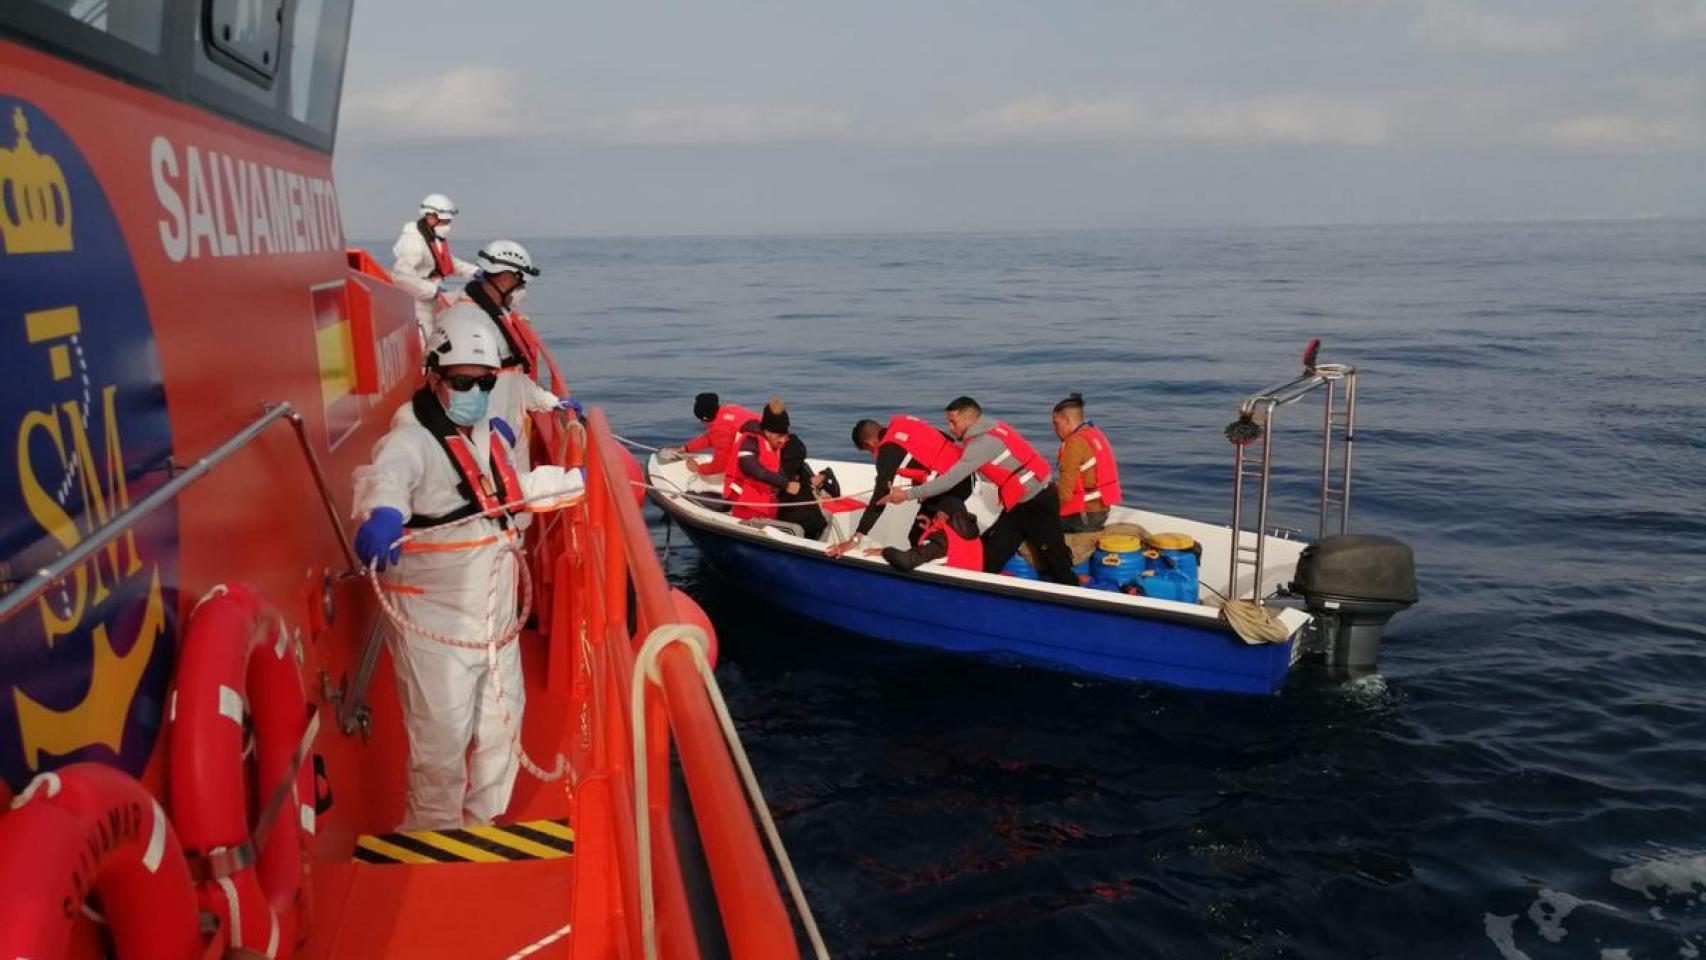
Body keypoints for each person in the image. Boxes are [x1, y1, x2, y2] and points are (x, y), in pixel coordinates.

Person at [351, 312, 583, 830]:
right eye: (462, 382)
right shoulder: (411, 442)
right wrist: (383, 513)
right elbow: (386, 478)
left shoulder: (488, 434)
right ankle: (434, 833)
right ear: (434, 377)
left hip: (494, 615)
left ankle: (483, 822)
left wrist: (578, 480)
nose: (474, 391)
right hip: (438, 619)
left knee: (504, 725)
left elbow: (514, 492)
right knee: (442, 738)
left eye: (484, 382)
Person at [884, 397, 1077, 585]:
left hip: (1037, 503)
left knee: (1056, 559)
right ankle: (982, 595)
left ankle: (1073, 598)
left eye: (953, 422)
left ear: (969, 419)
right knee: (989, 555)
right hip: (1019, 504)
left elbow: (949, 481)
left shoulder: (982, 444)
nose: (950, 427)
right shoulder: (991, 427)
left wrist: (906, 494)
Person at [436, 241, 580, 467]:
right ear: (505, 279)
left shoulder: (493, 315)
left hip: (507, 429)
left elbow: (511, 376)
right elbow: (462, 387)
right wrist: (493, 428)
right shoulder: (467, 320)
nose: (523, 291)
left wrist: (548, 401)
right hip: (490, 437)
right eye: (521, 283)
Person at [827, 414, 971, 559]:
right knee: (918, 534)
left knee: (918, 536)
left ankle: (938, 569)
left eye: (869, 450)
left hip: (951, 488)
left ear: (869, 443)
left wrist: (856, 539)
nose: (873, 453)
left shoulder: (887, 451)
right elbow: (933, 451)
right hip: (966, 475)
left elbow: (879, 498)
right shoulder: (904, 424)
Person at [724, 398, 829, 536]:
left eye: (784, 435)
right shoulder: (750, 441)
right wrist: (785, 484)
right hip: (746, 510)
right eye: (779, 435)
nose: (782, 440)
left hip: (765, 507)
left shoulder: (773, 446)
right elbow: (752, 469)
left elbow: (777, 471)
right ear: (767, 431)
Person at [391, 193, 478, 344]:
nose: (447, 226)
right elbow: (401, 276)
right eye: (444, 222)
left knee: (436, 336)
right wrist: (433, 291)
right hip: (417, 301)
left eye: (448, 222)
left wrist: (475, 272)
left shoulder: (432, 237)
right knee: (424, 340)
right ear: (430, 217)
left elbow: (446, 261)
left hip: (429, 296)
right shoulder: (414, 241)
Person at [1051, 392, 1123, 534]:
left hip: (1084, 518)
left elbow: (1065, 495)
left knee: (1031, 518)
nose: (1054, 429)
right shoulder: (1093, 433)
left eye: (1055, 423)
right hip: (1101, 512)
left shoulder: (1074, 444)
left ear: (1066, 420)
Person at [659, 393, 759, 478]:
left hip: (762, 457)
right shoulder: (728, 410)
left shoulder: (722, 429)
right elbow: (711, 437)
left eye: (701, 419)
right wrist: (685, 448)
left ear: (705, 418)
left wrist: (698, 468)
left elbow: (720, 465)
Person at [878, 498, 983, 573]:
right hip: (962, 591)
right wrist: (931, 530)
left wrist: (883, 551)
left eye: (937, 516)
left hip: (944, 593)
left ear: (947, 517)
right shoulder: (974, 537)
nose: (933, 519)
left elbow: (906, 561)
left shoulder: (942, 540)